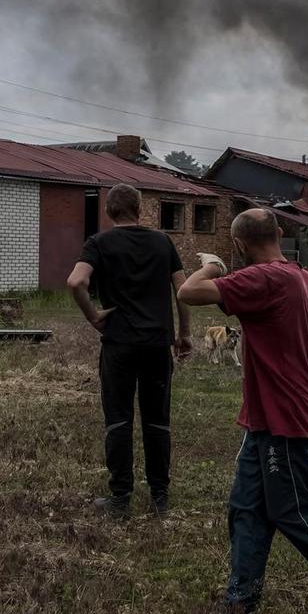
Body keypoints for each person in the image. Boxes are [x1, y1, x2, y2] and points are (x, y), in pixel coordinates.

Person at [177, 208, 308, 614]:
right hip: (264, 417)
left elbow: (187, 293)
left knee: (291, 508)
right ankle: (239, 610)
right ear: (279, 233)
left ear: (241, 245)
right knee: (246, 508)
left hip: (281, 416)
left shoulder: (258, 278)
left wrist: (212, 265)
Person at [66, 183, 193, 518]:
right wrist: (184, 334)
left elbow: (75, 282)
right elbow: (184, 290)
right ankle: (160, 498)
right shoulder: (164, 242)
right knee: (157, 421)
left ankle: (120, 499)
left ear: (108, 211)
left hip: (119, 346)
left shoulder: (99, 243)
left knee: (119, 419)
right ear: (141, 209)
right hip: (156, 346)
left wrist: (93, 316)